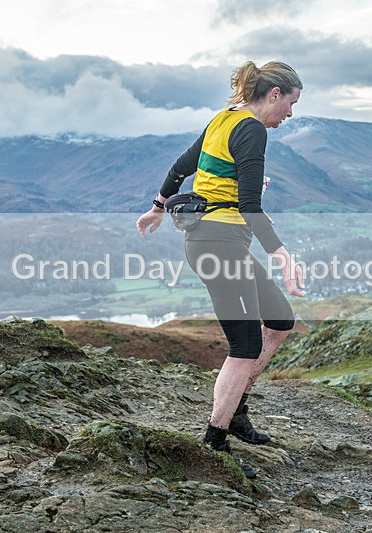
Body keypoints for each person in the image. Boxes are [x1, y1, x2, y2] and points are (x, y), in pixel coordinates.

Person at [136, 60, 306, 479]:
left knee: (280, 320)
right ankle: (214, 443)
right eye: (290, 103)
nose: (290, 114)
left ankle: (236, 410)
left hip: (217, 242)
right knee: (244, 347)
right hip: (221, 245)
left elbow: (182, 166)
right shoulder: (249, 129)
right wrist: (281, 253)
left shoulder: (223, 120)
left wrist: (158, 207)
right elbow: (250, 205)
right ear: (273, 95)